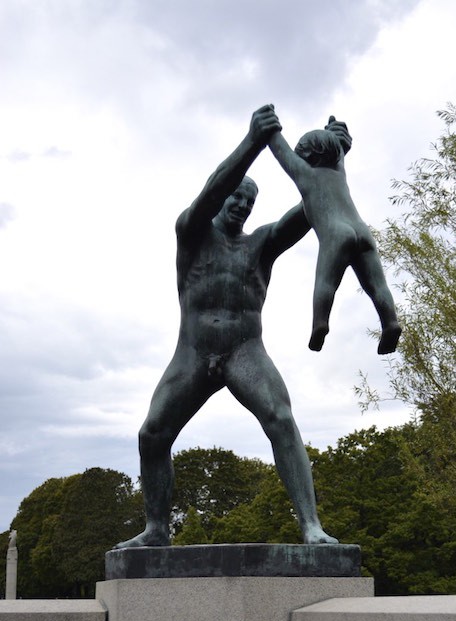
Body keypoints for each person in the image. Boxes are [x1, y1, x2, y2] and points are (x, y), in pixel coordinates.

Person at [115, 105, 350, 549]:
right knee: (152, 434)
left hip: (245, 349)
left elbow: (311, 208)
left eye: (249, 201)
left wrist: (334, 161)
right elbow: (208, 193)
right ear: (222, 197)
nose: (242, 204)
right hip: (194, 352)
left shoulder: (260, 245)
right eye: (236, 196)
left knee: (281, 418)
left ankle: (311, 526)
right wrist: (252, 143)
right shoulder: (191, 233)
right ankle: (156, 529)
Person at [268, 119, 401, 354]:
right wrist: (334, 134)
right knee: (377, 285)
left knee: (326, 282)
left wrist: (271, 129)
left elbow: (282, 152)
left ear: (308, 154)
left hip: (336, 233)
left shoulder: (305, 175)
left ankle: (320, 323)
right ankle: (390, 322)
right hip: (363, 231)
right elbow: (338, 149)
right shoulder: (339, 171)